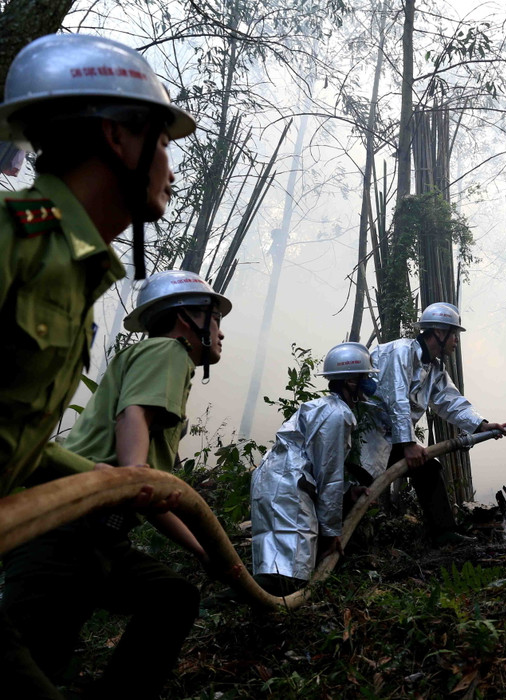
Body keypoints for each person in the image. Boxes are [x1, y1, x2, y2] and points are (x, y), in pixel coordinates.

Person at [0, 34, 196, 699]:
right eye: (163, 144)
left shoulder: (75, 271)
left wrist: (105, 481)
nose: (170, 166)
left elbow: (16, 439)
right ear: (119, 136)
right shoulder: (14, 239)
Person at [1, 271, 230, 699]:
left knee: (173, 597)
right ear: (187, 318)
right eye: (215, 318)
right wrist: (134, 471)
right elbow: (134, 420)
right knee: (31, 667)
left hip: (99, 534)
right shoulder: (169, 351)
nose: (221, 332)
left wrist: (204, 551)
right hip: (61, 526)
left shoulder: (153, 358)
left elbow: (151, 493)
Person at [360, 302, 506, 545]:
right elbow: (396, 399)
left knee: (428, 468)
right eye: (454, 335)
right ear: (439, 333)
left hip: (394, 437)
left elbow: (449, 401)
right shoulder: (400, 353)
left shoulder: (434, 367)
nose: (456, 341)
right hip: (366, 438)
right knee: (359, 490)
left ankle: (443, 534)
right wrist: (408, 443)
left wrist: (481, 425)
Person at [251, 342, 377, 597]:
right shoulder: (336, 415)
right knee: (286, 578)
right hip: (288, 487)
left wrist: (348, 491)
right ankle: (218, 603)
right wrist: (331, 533)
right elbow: (328, 476)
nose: (369, 384)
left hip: (278, 483)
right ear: (350, 381)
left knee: (280, 566)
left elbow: (319, 465)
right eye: (365, 378)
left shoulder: (327, 408)